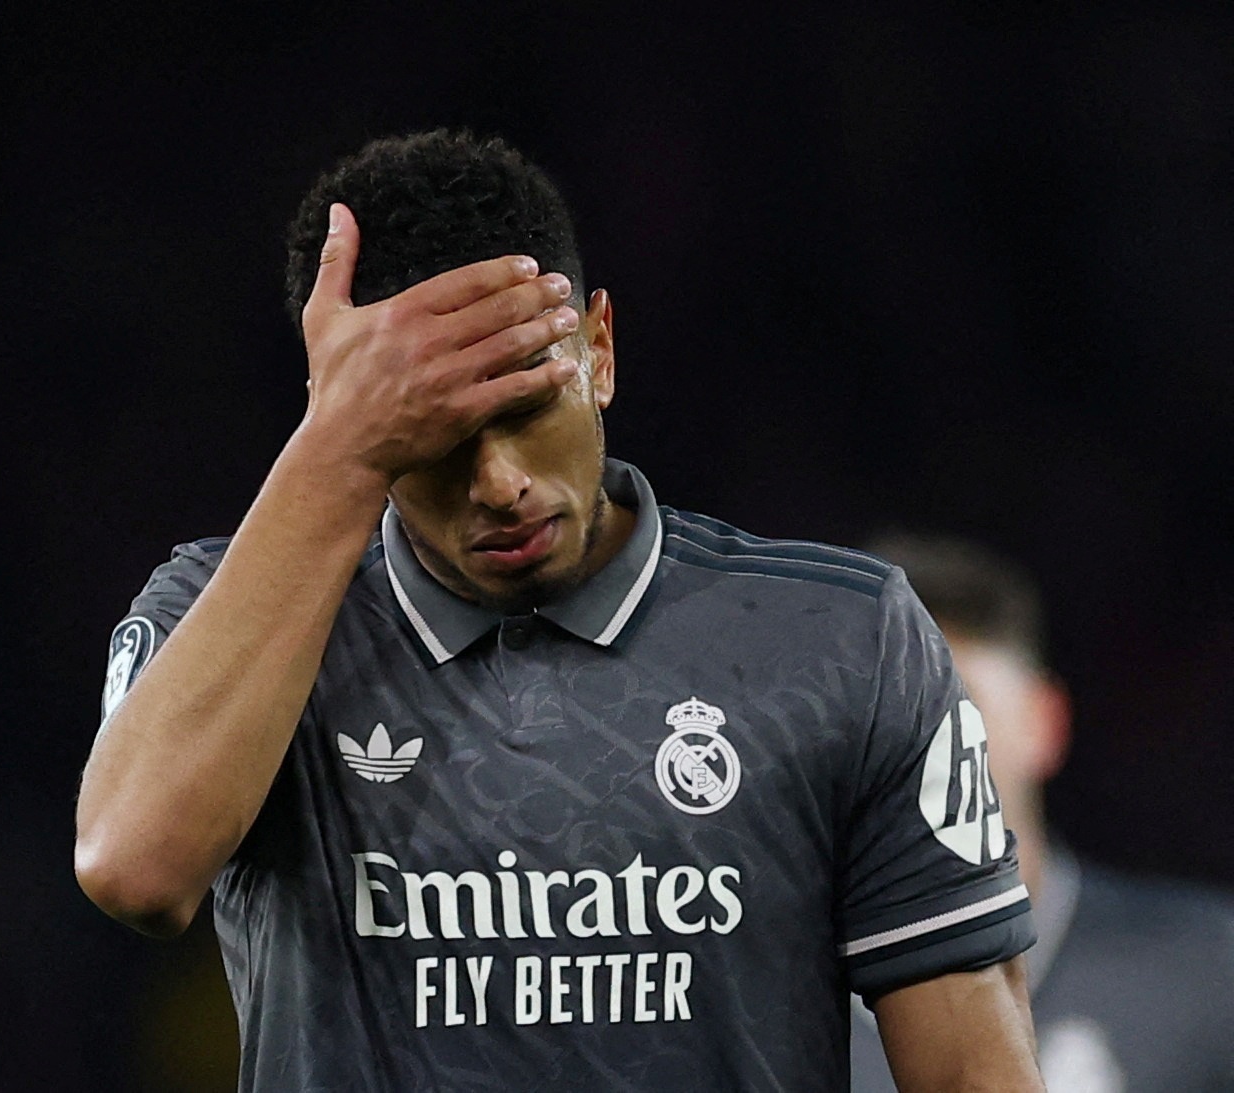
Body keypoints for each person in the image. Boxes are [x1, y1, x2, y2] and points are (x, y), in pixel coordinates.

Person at [75, 129, 1043, 1091]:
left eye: (529, 406)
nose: (500, 483)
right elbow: (133, 869)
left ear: (600, 350)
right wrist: (336, 450)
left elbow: (977, 1075)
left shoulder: (844, 641)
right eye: (436, 437)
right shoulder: (229, 620)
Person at [849, 532, 1234, 1093]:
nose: (913, 748)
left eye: (953, 707)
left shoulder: (1205, 971)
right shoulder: (759, 996)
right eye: (873, 717)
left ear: (1043, 722)